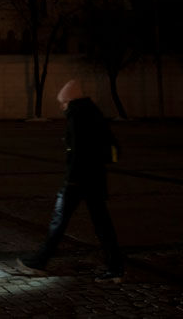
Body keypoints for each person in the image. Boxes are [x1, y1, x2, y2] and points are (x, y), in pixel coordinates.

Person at [16, 79, 123, 282]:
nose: (62, 107)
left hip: (78, 180)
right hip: (95, 178)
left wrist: (70, 180)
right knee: (101, 224)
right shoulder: (93, 112)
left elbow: (78, 151)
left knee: (59, 221)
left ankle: (39, 262)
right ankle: (116, 268)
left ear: (70, 100)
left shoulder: (77, 115)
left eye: (63, 103)